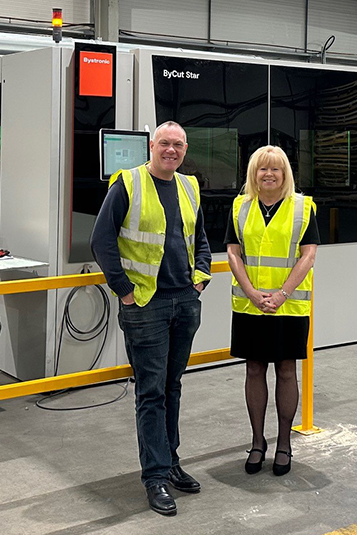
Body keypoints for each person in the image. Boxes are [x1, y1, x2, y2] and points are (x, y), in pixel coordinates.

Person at [90, 121, 213, 516]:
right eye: (164, 143)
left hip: (184, 301)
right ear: (152, 146)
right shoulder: (127, 183)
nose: (171, 150)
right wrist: (124, 290)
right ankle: (155, 477)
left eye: (178, 144)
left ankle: (171, 462)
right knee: (151, 392)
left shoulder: (189, 186)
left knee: (172, 387)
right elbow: (101, 240)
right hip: (146, 305)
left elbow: (201, 238)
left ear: (185, 148)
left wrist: (201, 277)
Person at [225, 145, 318, 477]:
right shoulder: (240, 206)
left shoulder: (302, 208)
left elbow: (308, 255)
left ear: (285, 174)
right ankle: (257, 442)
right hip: (250, 306)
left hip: (287, 306)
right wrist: (251, 293)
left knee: (287, 371)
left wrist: (281, 294)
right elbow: (233, 253)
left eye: (275, 169)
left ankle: (283, 444)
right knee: (253, 370)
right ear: (254, 173)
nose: (268, 174)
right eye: (262, 169)